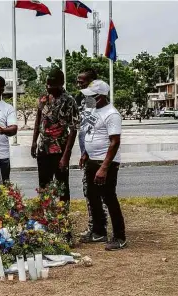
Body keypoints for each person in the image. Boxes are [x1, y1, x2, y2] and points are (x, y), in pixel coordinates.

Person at [80, 80, 127, 251]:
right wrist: (85, 153)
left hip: (105, 162)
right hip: (92, 159)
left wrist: (104, 168)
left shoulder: (111, 114)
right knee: (92, 196)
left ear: (99, 97)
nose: (86, 99)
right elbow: (91, 133)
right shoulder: (94, 110)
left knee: (109, 198)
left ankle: (120, 236)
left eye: (90, 97)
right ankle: (99, 231)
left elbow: (114, 142)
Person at [31, 68, 79, 201]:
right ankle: (46, 218)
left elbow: (73, 129)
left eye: (51, 84)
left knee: (62, 187)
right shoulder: (43, 98)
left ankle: (63, 218)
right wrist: (34, 142)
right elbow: (38, 120)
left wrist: (66, 155)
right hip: (43, 149)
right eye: (47, 84)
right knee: (44, 186)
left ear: (61, 83)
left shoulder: (69, 101)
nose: (48, 87)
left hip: (60, 150)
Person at [76, 68, 109, 242]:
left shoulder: (97, 102)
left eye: (82, 82)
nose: (79, 84)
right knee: (89, 192)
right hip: (88, 152)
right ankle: (94, 226)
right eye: (78, 81)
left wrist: (89, 153)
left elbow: (93, 128)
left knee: (96, 193)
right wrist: (83, 152)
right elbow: (83, 128)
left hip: (98, 155)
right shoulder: (84, 99)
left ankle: (99, 229)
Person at [0, 76, 18, 183]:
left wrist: (3, 130)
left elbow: (13, 129)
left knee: (3, 188)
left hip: (1, 156)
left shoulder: (7, 108)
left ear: (1, 90)